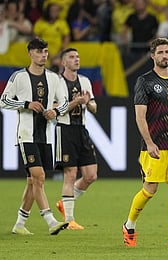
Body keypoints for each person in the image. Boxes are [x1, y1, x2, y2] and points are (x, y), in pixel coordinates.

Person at [122, 37, 168, 248]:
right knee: (149, 190)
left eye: (167, 52)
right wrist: (149, 143)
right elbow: (140, 116)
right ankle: (129, 225)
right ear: (152, 56)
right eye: (161, 52)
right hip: (154, 146)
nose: (165, 56)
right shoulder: (144, 81)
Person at [0, 37, 69, 235]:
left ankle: (19, 224)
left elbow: (64, 103)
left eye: (45, 52)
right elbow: (3, 101)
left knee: (32, 181)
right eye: (39, 52)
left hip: (45, 136)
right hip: (26, 134)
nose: (43, 55)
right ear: (30, 53)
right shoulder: (19, 77)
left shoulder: (54, 78)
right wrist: (26, 104)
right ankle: (50, 220)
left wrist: (55, 112)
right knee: (39, 177)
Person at [54, 48, 98, 230]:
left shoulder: (85, 81)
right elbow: (55, 108)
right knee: (70, 174)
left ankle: (64, 203)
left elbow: (94, 107)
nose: (76, 59)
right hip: (64, 130)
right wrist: (75, 102)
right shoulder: (56, 82)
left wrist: (88, 102)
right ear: (64, 62)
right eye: (72, 57)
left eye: (78, 56)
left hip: (81, 129)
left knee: (91, 175)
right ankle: (69, 220)